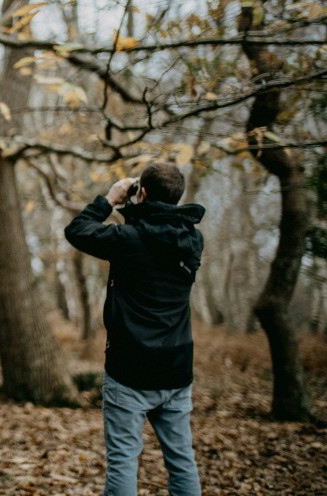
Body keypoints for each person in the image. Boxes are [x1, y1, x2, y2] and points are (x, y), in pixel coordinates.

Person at [64, 162, 205, 496]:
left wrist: (110, 200)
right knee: (182, 461)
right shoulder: (192, 240)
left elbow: (77, 230)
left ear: (140, 193)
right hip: (175, 369)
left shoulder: (128, 239)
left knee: (124, 460)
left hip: (129, 370)